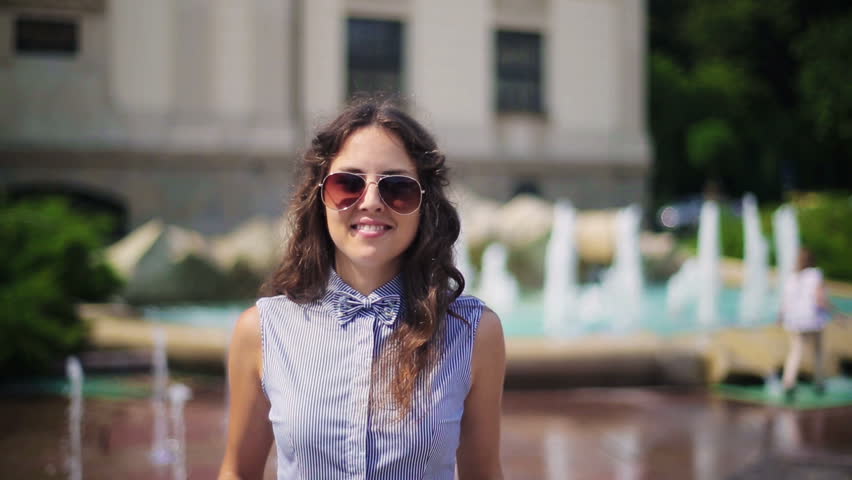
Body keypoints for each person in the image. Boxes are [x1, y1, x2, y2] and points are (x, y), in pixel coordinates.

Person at [218, 99, 506, 479]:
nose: (370, 202)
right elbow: (237, 472)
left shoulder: (473, 332)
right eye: (348, 184)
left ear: (424, 204)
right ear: (321, 198)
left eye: (397, 188)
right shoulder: (262, 330)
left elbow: (483, 474)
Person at [780, 247, 832, 400]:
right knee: (817, 350)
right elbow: (820, 299)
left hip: (794, 319)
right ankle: (819, 381)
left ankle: (788, 381)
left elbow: (785, 302)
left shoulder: (792, 277)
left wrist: (781, 317)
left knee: (795, 350)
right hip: (812, 318)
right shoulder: (816, 274)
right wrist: (837, 313)